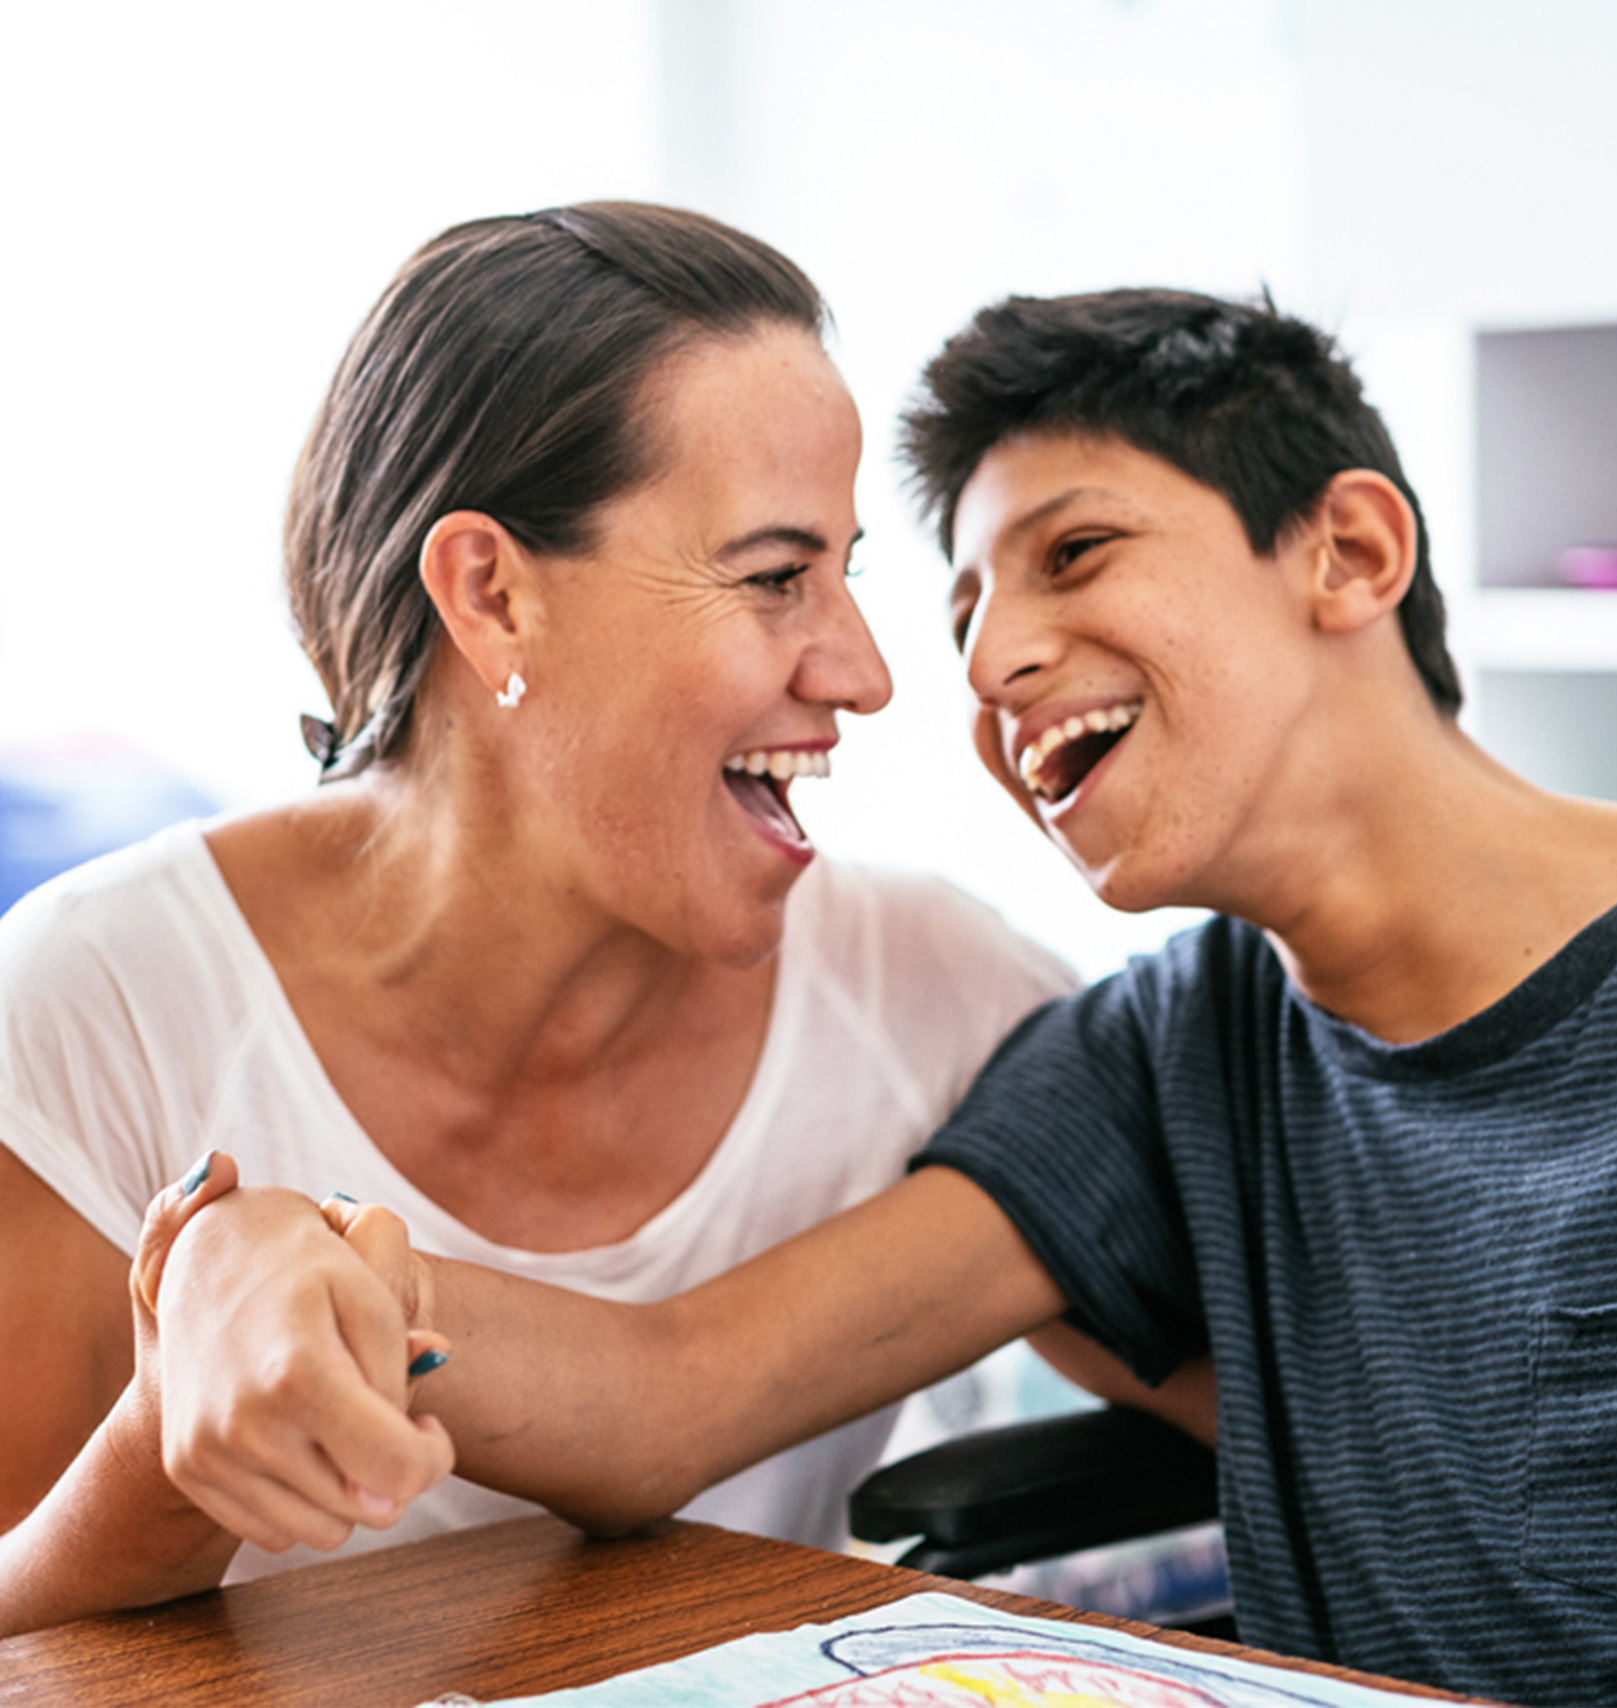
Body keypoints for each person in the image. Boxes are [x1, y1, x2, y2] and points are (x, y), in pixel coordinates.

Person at [132, 282, 1617, 1708]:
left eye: (1074, 553)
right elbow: (670, 1391)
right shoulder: (1165, 1060)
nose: (993, 662)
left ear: (1349, 553)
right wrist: (267, 1260)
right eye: (964, 619)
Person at [0, 203, 1083, 1636]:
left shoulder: (940, 992)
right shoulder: (98, 1002)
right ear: (492, 596)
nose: (869, 673)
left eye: (847, 573)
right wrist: (184, 1416)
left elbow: (1253, 1367)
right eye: (774, 578)